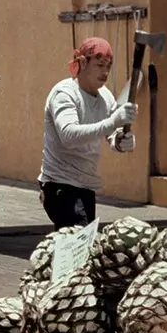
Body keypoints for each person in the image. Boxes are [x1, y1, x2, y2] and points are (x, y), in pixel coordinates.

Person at [39, 37, 136, 228]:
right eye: (100, 65)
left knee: (76, 246)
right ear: (83, 63)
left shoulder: (105, 96)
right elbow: (69, 136)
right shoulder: (64, 93)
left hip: (86, 186)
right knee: (79, 243)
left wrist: (121, 141)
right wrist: (112, 122)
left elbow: (111, 134)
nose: (105, 72)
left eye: (108, 66)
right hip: (60, 185)